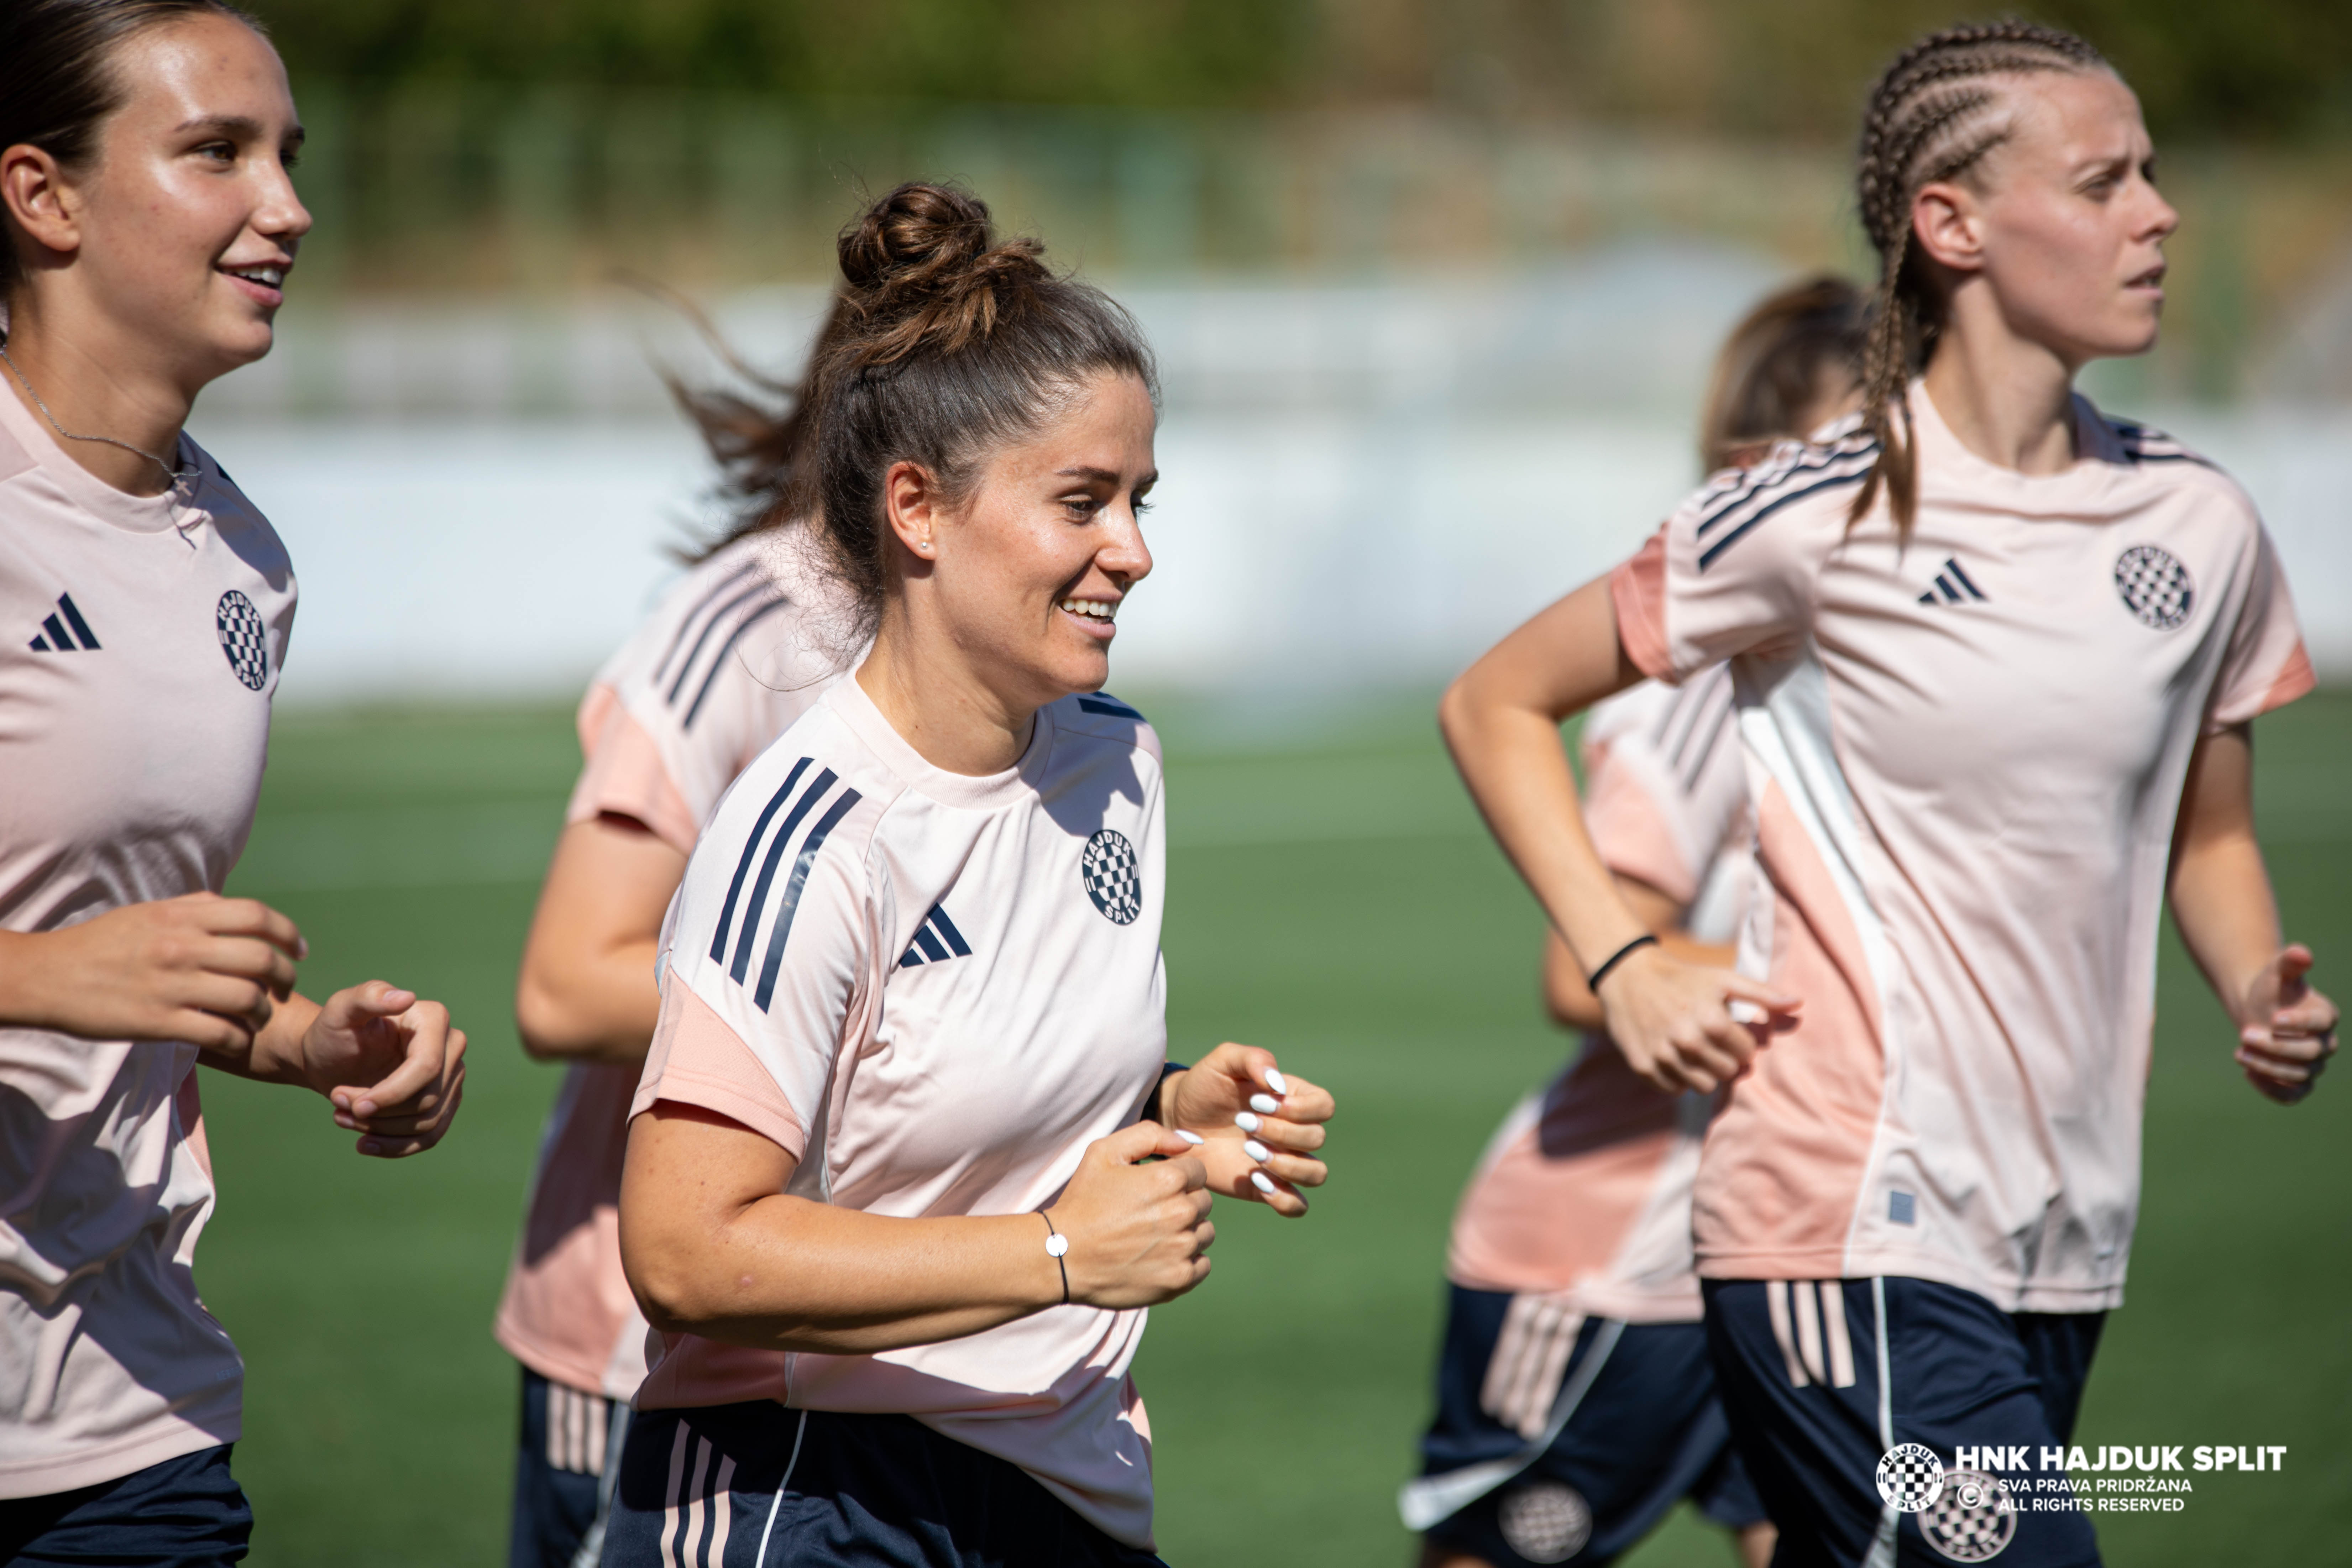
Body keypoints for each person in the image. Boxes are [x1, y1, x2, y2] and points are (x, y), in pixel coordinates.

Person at [1437, 22, 2333, 1568]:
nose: (2159, 214)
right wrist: (1624, 955)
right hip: (1843, 1219)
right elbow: (1494, 699)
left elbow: (2211, 832)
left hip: (2063, 1232)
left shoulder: (2199, 523)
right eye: (2103, 182)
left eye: (2152, 174)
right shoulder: (1812, 510)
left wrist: (2257, 985)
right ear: (1950, 224)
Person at [604, 182, 1337, 1567]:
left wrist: (1169, 1107)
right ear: (919, 510)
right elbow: (685, 1251)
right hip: (812, 1490)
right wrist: (1056, 1251)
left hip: (1068, 1478)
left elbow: (951, 1101)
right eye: (1082, 502)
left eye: (1139, 501)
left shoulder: (1117, 757)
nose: (1134, 551)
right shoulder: (810, 837)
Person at [0, 2, 468, 1562]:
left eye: (290, 156)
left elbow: (131, 959)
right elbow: (68, 965)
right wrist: (47, 976)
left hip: (130, 1411)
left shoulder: (244, 556)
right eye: (218, 153)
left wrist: (308, 1037)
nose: (290, 206)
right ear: (43, 195)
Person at [1404, 276, 1861, 1568]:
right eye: (1859, 446)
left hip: (1794, 1239)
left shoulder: (1875, 679)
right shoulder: (1695, 688)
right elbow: (1583, 970)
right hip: (1612, 1262)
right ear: (1754, 466)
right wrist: (1863, 981)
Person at [494, 296, 857, 1568]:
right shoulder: (747, 622)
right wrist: (846, 1007)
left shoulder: (997, 653)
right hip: (646, 1342)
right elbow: (563, 986)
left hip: (863, 1330)